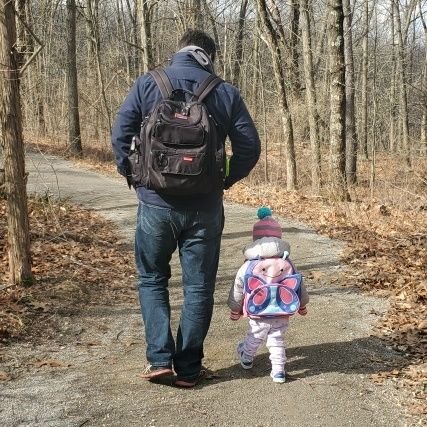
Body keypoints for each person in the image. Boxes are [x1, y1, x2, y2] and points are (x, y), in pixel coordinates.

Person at [111, 29, 261, 387]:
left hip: (155, 204)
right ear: (209, 56)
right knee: (197, 288)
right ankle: (189, 369)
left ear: (179, 52)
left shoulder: (149, 84)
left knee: (151, 279)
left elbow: (120, 135)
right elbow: (249, 147)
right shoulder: (223, 92)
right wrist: (224, 179)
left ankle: (159, 360)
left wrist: (135, 175)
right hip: (205, 209)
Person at [228, 207, 309, 383]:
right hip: (282, 310)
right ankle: (279, 371)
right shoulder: (287, 261)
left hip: (258, 309)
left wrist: (235, 309)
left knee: (255, 335)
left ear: (255, 240)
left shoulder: (249, 264)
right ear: (279, 238)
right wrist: (302, 305)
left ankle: (247, 358)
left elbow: (238, 287)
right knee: (277, 339)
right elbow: (298, 285)